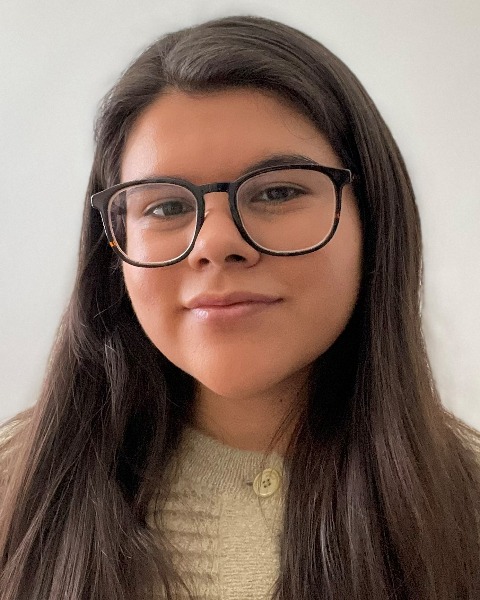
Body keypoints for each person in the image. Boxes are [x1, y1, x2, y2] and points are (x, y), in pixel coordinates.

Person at [1, 14, 479, 600]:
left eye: (277, 191)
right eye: (165, 207)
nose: (216, 243)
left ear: (374, 219)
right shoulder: (13, 494)